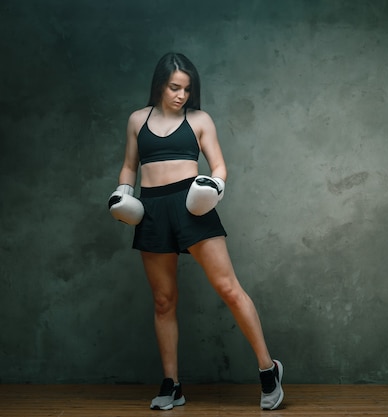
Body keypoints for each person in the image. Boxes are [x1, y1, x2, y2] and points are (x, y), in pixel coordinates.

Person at [109, 52, 284, 411]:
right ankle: (171, 384)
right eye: (175, 87)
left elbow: (219, 165)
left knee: (229, 290)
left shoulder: (200, 120)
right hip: (152, 209)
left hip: (193, 204)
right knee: (163, 301)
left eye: (187, 89)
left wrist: (213, 187)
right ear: (160, 84)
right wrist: (123, 193)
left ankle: (269, 370)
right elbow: (129, 167)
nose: (181, 95)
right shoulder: (136, 120)